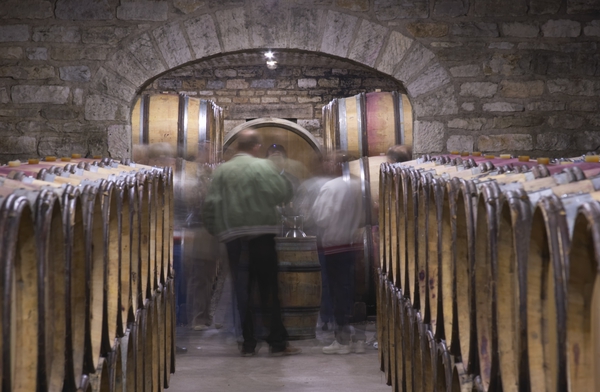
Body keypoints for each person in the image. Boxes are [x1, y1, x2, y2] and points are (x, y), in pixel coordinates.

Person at [202, 129, 301, 357]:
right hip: (262, 235)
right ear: (256, 147)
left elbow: (210, 205)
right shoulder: (263, 167)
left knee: (242, 291)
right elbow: (283, 193)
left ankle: (248, 343)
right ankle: (277, 342)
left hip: (234, 237)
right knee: (268, 289)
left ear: (238, 146)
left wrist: (216, 230)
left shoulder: (222, 172)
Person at [309, 153, 366, 355]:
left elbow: (321, 217)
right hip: (352, 243)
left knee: (337, 293)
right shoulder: (356, 185)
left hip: (334, 245)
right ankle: (356, 338)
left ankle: (342, 341)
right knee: (351, 291)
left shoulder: (330, 187)